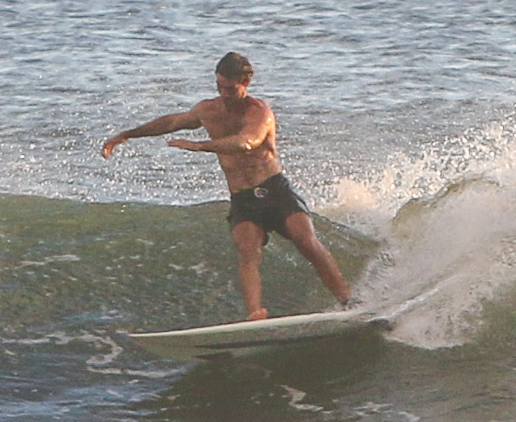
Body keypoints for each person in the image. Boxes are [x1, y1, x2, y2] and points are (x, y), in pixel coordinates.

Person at [101, 52, 353, 321]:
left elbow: (246, 142)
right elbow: (171, 122)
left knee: (306, 241)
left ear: (246, 81)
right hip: (243, 198)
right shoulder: (208, 110)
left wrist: (201, 146)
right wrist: (126, 134)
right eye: (220, 87)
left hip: (275, 191)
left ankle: (348, 300)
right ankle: (256, 314)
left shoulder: (260, 112)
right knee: (247, 251)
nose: (225, 94)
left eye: (231, 89)